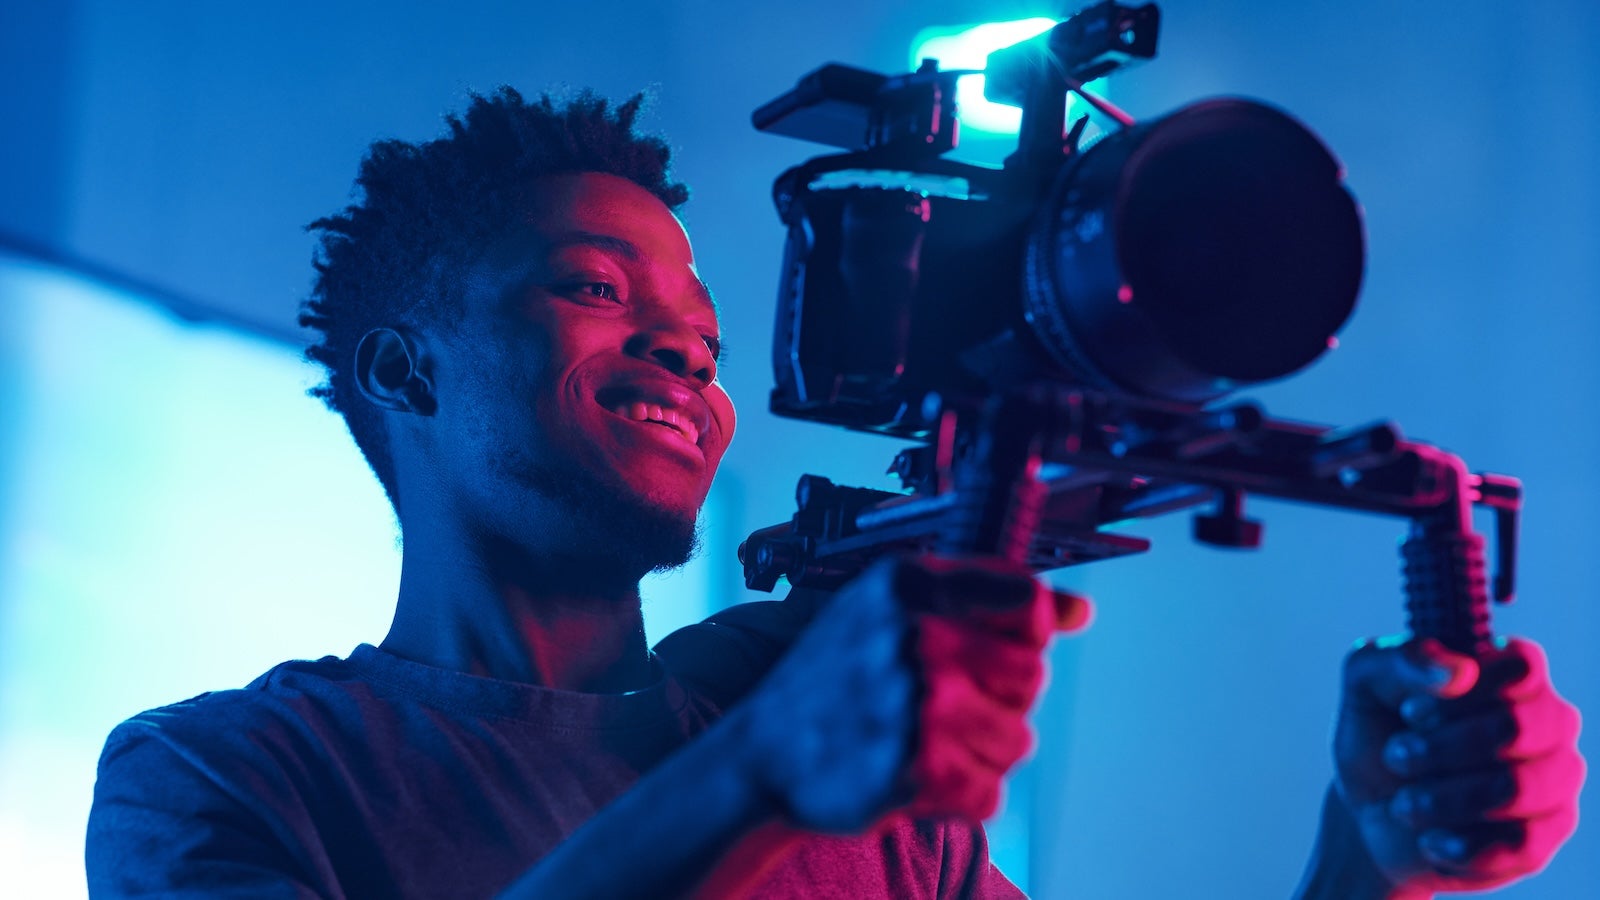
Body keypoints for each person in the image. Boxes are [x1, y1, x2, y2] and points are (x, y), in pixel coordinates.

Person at [85, 89, 1582, 899]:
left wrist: (1371, 858)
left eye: (714, 337)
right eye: (592, 288)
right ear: (407, 374)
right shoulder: (222, 778)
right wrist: (757, 783)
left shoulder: (884, 799)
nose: (680, 340)